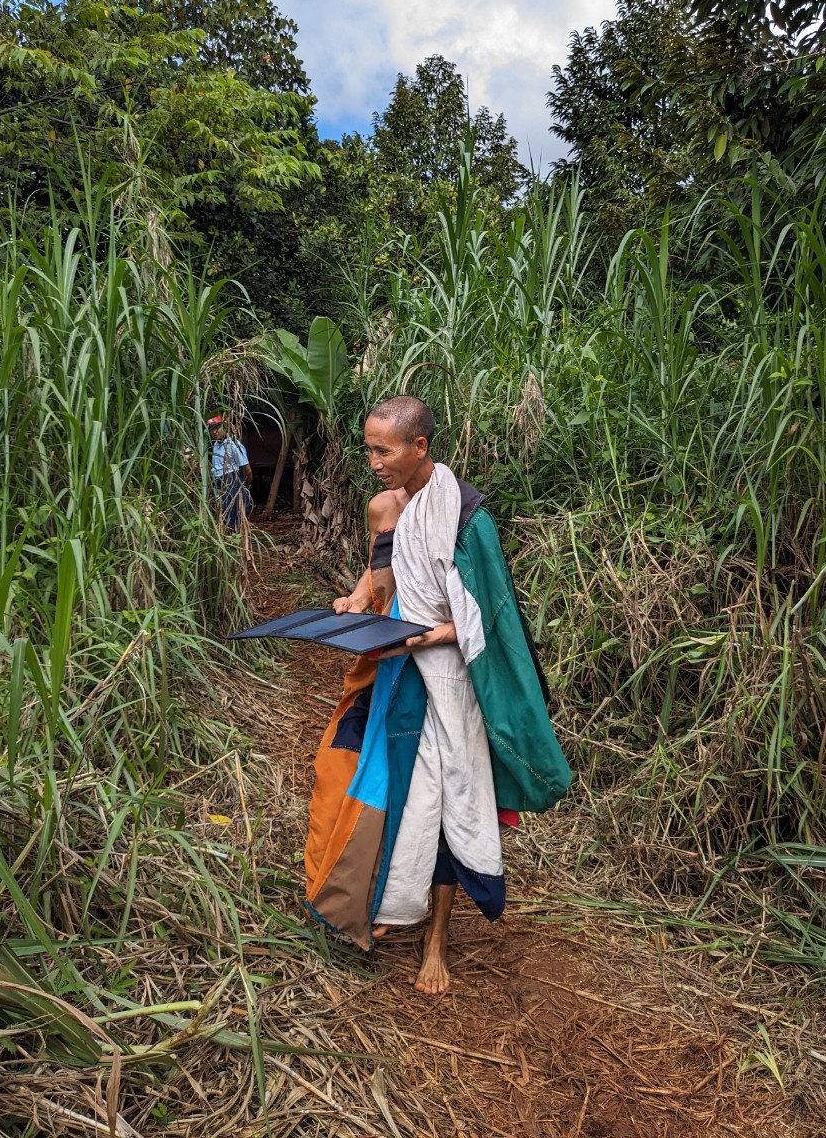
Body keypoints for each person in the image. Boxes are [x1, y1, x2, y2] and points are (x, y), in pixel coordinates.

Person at [305, 396, 571, 994]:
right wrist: (353, 605)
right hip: (392, 669)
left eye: (384, 450)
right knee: (368, 778)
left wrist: (430, 635)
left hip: (448, 677)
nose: (373, 462)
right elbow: (380, 578)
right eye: (368, 449)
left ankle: (436, 942)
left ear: (419, 447)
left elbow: (487, 618)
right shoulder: (382, 508)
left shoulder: (466, 517)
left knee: (448, 799)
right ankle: (376, 895)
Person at [207, 415, 253, 531]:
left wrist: (245, 486)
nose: (215, 431)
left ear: (225, 427)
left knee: (233, 515)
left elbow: (247, 470)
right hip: (218, 482)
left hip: (231, 480)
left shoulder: (234, 445)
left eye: (218, 428)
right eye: (212, 429)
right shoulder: (216, 445)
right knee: (222, 512)